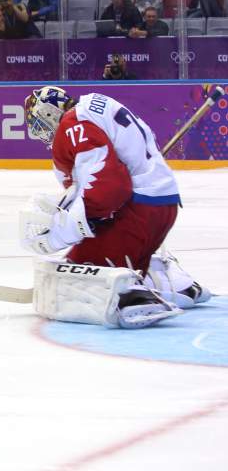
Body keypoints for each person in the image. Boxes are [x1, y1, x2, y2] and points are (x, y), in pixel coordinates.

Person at [19, 86, 211, 328]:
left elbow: (109, 188)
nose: (44, 135)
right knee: (88, 255)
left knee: (79, 271)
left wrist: (68, 229)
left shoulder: (72, 123)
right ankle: (168, 280)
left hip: (137, 211)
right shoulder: (95, 106)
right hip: (162, 205)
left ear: (49, 113)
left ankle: (131, 295)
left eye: (41, 125)